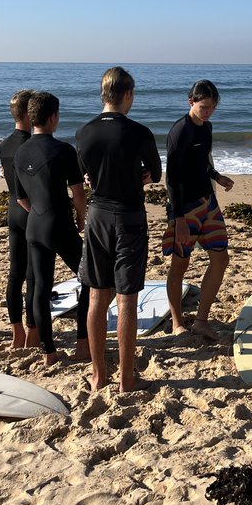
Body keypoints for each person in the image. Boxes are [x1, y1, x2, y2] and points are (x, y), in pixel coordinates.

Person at [76, 67, 162, 393]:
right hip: (129, 216)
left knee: (98, 296)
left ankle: (99, 376)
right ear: (128, 94)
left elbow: (82, 175)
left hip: (97, 216)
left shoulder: (84, 132)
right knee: (126, 299)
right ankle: (127, 378)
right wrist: (139, 173)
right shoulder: (139, 132)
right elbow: (154, 172)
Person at [14, 91, 88, 366]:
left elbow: (21, 197)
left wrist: (38, 215)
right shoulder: (63, 150)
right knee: (89, 279)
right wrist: (81, 219)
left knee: (40, 289)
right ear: (54, 117)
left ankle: (49, 352)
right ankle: (83, 344)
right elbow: (78, 193)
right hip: (60, 225)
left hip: (34, 227)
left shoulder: (21, 151)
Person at [163, 80, 234, 341]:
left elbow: (202, 163)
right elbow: (172, 178)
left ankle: (201, 321)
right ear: (190, 101)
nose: (208, 112)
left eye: (212, 107)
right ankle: (176, 322)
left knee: (221, 258)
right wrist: (179, 218)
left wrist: (217, 176)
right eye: (203, 107)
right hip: (185, 208)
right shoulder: (180, 131)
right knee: (180, 265)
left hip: (208, 202)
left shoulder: (207, 128)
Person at [0, 89, 38, 349]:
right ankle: (32, 332)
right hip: (31, 211)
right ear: (27, 113)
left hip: (12, 209)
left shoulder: (4, 144)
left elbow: (7, 176)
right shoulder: (31, 145)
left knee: (15, 274)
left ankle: (16, 333)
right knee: (33, 274)